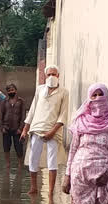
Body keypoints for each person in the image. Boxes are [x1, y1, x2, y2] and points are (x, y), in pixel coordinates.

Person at [22, 65, 69, 196]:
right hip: (36, 128)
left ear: (58, 76)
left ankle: (50, 192)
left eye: (54, 74)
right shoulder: (40, 90)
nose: (51, 77)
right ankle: (33, 187)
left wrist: (53, 131)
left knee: (52, 161)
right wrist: (25, 129)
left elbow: (63, 114)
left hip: (53, 131)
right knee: (33, 159)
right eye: (49, 74)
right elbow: (32, 110)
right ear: (45, 76)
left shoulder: (64, 92)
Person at [0, 83, 26, 171]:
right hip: (6, 128)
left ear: (16, 91)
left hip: (17, 129)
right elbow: (0, 115)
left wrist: (21, 128)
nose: (11, 92)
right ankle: (7, 164)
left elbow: (23, 116)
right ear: (7, 92)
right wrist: (1, 127)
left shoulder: (21, 101)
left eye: (12, 90)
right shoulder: (4, 102)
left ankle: (20, 165)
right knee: (6, 147)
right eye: (9, 91)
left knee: (19, 148)